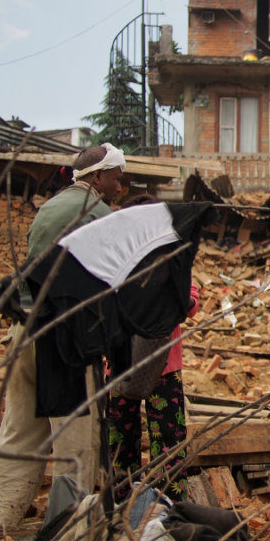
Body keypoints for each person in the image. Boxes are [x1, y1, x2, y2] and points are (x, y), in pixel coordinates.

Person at [0, 143, 125, 527]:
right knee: (74, 444)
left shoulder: (49, 207)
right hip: (65, 342)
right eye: (116, 178)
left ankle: (3, 525)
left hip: (26, 331)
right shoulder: (96, 213)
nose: (120, 185)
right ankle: (68, 536)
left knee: (20, 434)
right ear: (97, 177)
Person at [106, 194, 200, 504]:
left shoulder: (171, 253)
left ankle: (169, 510)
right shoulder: (115, 256)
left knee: (168, 442)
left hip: (162, 364)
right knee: (122, 442)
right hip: (121, 364)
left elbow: (191, 300)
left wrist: (177, 296)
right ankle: (122, 509)